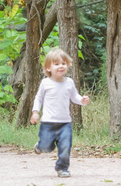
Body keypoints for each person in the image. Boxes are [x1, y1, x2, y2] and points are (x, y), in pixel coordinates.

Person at [30, 48, 90, 178]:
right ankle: (41, 146)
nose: (60, 66)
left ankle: (62, 168)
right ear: (48, 68)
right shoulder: (45, 83)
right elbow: (38, 99)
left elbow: (75, 97)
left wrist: (83, 100)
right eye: (56, 64)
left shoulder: (69, 83)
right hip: (48, 122)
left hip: (65, 123)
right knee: (47, 147)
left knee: (65, 146)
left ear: (67, 65)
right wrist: (35, 112)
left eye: (63, 63)